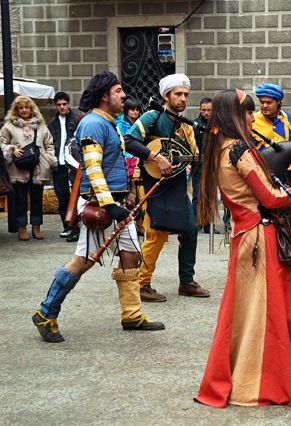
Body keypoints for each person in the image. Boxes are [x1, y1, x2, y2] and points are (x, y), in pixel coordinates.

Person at [31, 71, 166, 343]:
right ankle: (46, 312)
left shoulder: (108, 122)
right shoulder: (93, 124)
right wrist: (109, 204)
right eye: (118, 91)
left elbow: (111, 166)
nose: (124, 95)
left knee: (130, 254)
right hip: (99, 206)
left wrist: (125, 199)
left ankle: (132, 314)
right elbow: (93, 169)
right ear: (105, 96)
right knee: (82, 261)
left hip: (113, 203)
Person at [195, 89, 291, 408]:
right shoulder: (239, 151)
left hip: (242, 234)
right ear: (234, 115)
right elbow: (270, 198)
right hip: (259, 234)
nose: (251, 117)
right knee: (265, 312)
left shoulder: (218, 148)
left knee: (242, 311)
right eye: (246, 112)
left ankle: (237, 375)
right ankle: (261, 382)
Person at [124, 73, 210, 302]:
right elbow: (129, 141)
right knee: (157, 233)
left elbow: (195, 156)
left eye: (186, 95)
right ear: (166, 95)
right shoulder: (151, 117)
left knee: (191, 228)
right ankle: (142, 283)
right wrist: (155, 157)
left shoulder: (186, 127)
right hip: (152, 182)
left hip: (177, 184)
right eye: (178, 94)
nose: (183, 99)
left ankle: (187, 281)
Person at [0, 96, 57, 241]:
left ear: (32, 109)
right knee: (20, 199)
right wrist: (11, 149)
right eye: (21, 108)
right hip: (19, 168)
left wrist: (50, 157)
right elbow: (2, 143)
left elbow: (49, 143)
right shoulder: (9, 126)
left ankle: (36, 226)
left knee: (37, 199)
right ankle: (22, 227)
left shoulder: (41, 125)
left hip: (38, 167)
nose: (24, 110)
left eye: (27, 107)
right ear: (16, 110)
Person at [252, 83, 291, 184]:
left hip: (286, 176)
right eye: (261, 102)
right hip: (260, 175)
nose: (264, 106)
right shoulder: (252, 121)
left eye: (268, 102)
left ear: (278, 101)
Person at [47, 92, 79, 241]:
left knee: (77, 196)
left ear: (68, 104)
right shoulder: (52, 123)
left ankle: (77, 226)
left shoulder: (76, 119)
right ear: (56, 106)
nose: (62, 107)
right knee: (62, 197)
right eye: (59, 104)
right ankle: (67, 226)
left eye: (64, 104)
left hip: (74, 164)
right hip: (58, 164)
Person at [191, 97, 217, 234]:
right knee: (197, 196)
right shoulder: (194, 124)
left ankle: (208, 225)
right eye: (204, 110)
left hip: (213, 166)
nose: (206, 113)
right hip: (198, 166)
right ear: (200, 110)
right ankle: (196, 223)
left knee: (210, 196)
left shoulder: (217, 125)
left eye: (209, 110)